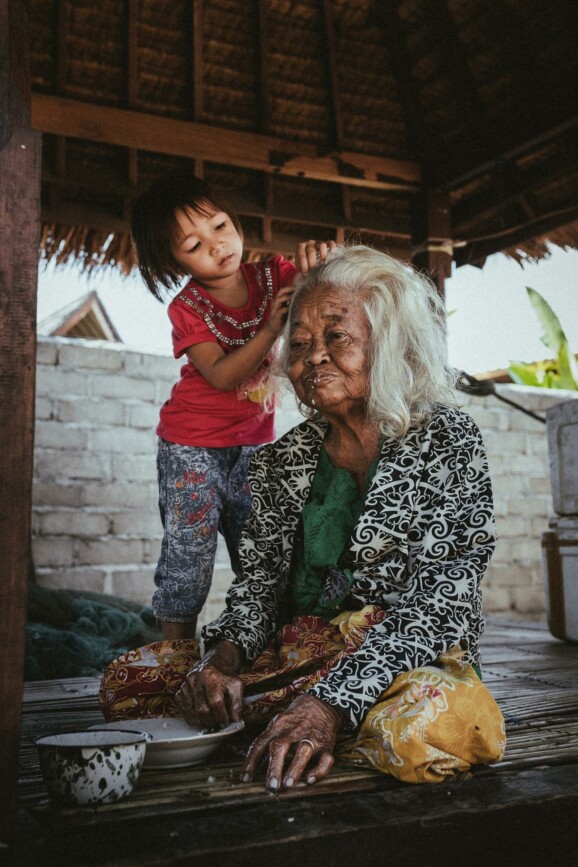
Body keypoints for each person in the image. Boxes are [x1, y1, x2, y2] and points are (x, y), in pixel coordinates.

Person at [100, 244, 506, 786]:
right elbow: (259, 588)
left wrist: (329, 704)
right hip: (298, 658)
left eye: (336, 337)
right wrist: (220, 661)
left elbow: (441, 602)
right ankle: (294, 721)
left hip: (406, 663)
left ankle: (314, 723)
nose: (313, 356)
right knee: (132, 683)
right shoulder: (278, 460)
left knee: (419, 726)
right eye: (300, 343)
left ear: (389, 344)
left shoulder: (449, 439)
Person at [130, 171, 318, 640]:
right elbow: (219, 375)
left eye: (218, 225)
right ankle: (174, 658)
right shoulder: (187, 308)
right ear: (172, 262)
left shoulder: (275, 275)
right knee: (188, 556)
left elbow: (323, 293)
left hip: (255, 444)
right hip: (190, 445)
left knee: (261, 551)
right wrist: (269, 332)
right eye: (192, 245)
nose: (216, 245)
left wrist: (320, 268)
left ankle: (265, 650)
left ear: (232, 219)